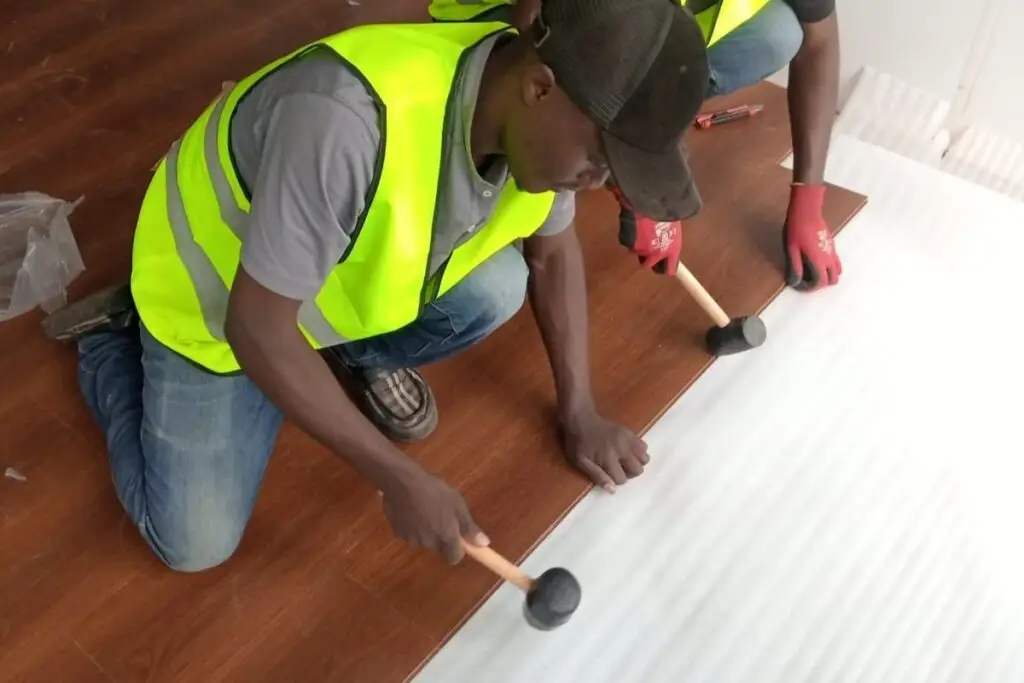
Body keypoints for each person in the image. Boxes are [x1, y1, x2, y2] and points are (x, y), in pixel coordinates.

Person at [41, 0, 712, 572]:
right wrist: (398, 476)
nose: (597, 182)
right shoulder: (347, 122)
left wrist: (581, 412)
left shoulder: (535, 109)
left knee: (498, 288)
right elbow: (255, 326)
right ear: (540, 89)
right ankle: (117, 339)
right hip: (213, 307)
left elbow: (553, 255)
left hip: (306, 283)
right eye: (598, 159)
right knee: (194, 542)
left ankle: (331, 359)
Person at [430, 0, 843, 290]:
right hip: (512, 36)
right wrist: (625, 166)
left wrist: (808, 199)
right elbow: (535, 33)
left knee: (779, 31)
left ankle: (605, 142)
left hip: (637, 44)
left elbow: (820, 41)